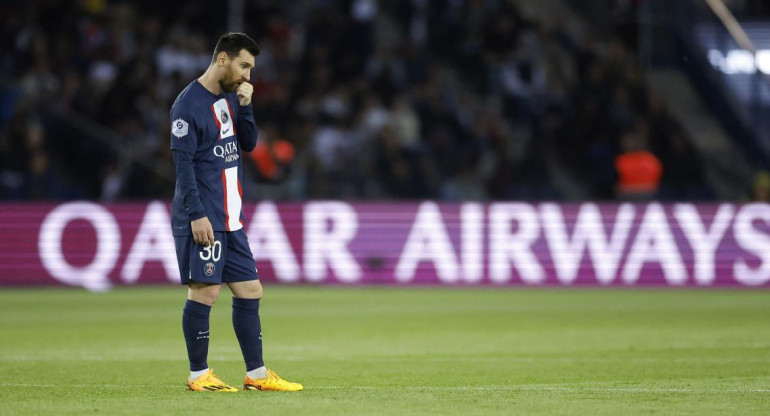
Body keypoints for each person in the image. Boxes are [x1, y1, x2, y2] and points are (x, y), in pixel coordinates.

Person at [169, 32, 302, 393]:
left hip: (230, 217)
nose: (248, 75)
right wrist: (196, 214)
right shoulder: (187, 106)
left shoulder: (232, 97)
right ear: (223, 59)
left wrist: (246, 105)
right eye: (244, 65)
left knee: (250, 289)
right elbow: (183, 168)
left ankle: (256, 376)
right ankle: (199, 375)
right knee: (204, 292)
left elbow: (248, 143)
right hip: (203, 217)